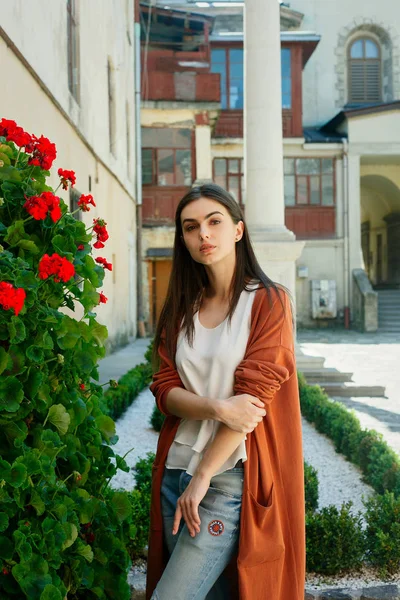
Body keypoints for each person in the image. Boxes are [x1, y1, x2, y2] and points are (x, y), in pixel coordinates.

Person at [146, 184, 305, 600]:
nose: (204, 235)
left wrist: (203, 477)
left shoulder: (268, 302)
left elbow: (253, 401)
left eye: (214, 222)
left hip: (227, 477)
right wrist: (217, 407)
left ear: (238, 230)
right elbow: (164, 388)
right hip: (175, 470)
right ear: (183, 239)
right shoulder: (182, 306)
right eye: (191, 227)